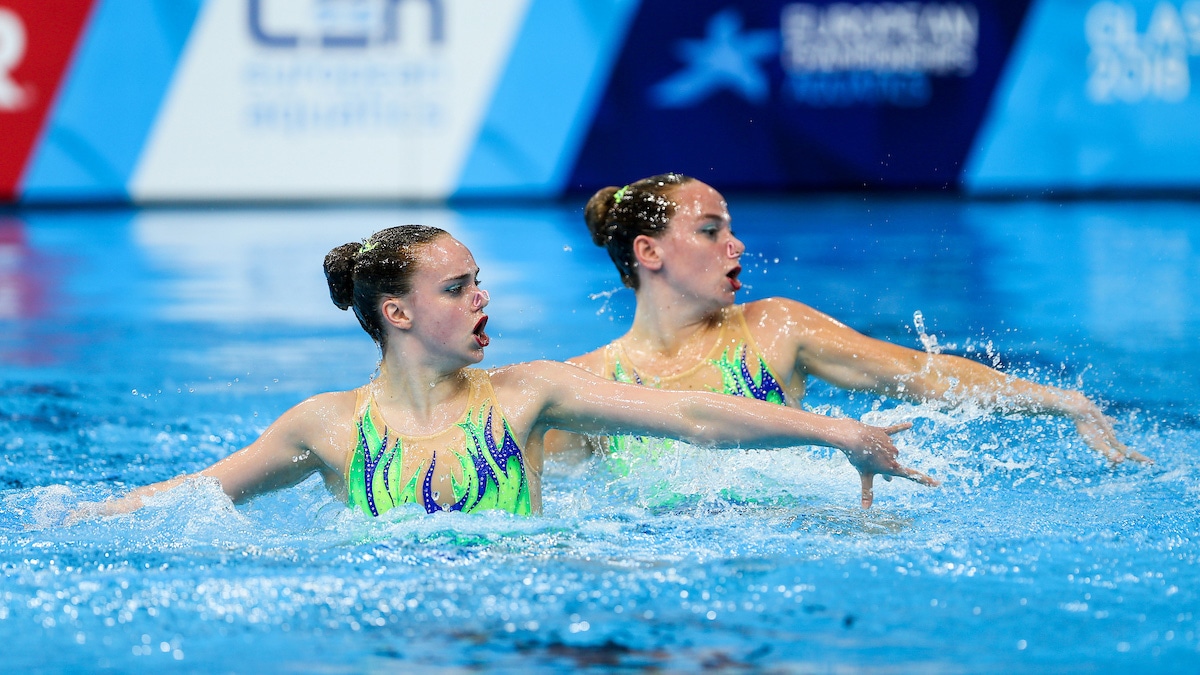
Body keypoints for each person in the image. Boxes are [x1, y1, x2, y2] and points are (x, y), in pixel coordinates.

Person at [71, 224, 936, 523]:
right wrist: (68, 518)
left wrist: (840, 431)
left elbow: (691, 416)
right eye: (458, 287)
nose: (484, 300)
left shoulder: (531, 393)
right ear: (398, 312)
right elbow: (198, 494)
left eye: (481, 281)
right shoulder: (326, 428)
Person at [544, 173, 1148, 474]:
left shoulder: (774, 329)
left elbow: (921, 375)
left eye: (729, 228)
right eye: (711, 231)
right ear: (649, 254)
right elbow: (563, 507)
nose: (737, 245)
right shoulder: (588, 385)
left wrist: (1058, 401)